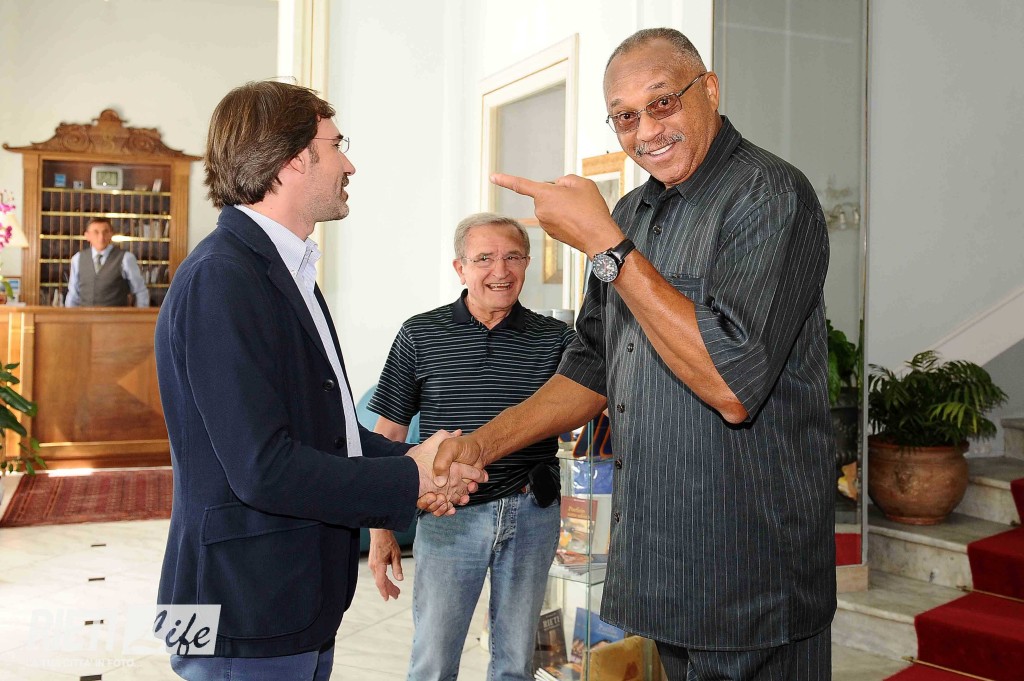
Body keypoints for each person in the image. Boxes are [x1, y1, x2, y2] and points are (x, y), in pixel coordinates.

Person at [433, 28, 836, 681]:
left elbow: (732, 384)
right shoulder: (632, 212)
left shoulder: (768, 193)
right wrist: (482, 444)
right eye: (624, 117)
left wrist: (607, 246)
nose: (646, 130)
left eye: (662, 103)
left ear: (709, 91)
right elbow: (591, 366)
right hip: (660, 563)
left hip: (752, 573)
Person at [154, 80, 484, 681]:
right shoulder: (221, 277)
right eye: (336, 146)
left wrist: (412, 457)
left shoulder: (284, 268)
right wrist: (410, 478)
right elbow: (263, 468)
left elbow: (322, 433)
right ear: (291, 161)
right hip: (239, 609)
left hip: (283, 600)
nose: (348, 165)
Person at [367, 212, 575, 681]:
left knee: (516, 663)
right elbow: (388, 437)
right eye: (484, 259)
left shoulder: (557, 339)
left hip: (532, 512)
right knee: (434, 661)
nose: (500, 271)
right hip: (449, 516)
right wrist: (380, 529)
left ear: (526, 264)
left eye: (513, 257)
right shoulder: (420, 334)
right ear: (459, 268)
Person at [65, 217, 149, 307]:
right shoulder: (77, 259)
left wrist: (140, 314)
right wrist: (69, 314)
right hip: (85, 315)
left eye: (105, 232)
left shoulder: (126, 258)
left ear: (111, 234)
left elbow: (140, 291)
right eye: (96, 232)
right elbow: (73, 294)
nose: (101, 237)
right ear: (87, 236)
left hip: (116, 315)